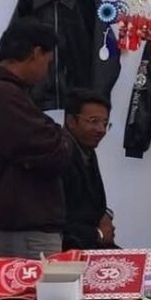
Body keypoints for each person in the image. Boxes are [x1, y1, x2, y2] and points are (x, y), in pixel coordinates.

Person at [0, 19, 72, 259]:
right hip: (24, 231)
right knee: (39, 285)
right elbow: (54, 150)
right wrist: (60, 137)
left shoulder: (5, 93)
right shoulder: (1, 95)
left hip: (21, 227)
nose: (47, 72)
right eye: (48, 62)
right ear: (35, 53)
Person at [62, 88, 117, 251]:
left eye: (105, 124)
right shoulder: (60, 153)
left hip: (87, 243)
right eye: (93, 121)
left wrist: (105, 215)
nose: (101, 129)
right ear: (71, 121)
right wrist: (97, 234)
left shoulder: (86, 150)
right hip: (66, 249)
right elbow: (55, 216)